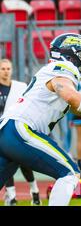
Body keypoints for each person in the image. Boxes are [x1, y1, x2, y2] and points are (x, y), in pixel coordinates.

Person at [0, 33, 81, 206]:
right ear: (71, 54)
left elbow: (76, 108)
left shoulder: (54, 70)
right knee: (69, 173)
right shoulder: (64, 67)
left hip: (7, 131)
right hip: (21, 129)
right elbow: (71, 96)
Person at [0, 59, 40, 206]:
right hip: (2, 132)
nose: (5, 71)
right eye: (3, 68)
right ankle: (12, 197)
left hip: (17, 131)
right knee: (5, 163)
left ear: (11, 70)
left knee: (24, 164)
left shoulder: (19, 87)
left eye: (8, 68)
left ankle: (35, 192)